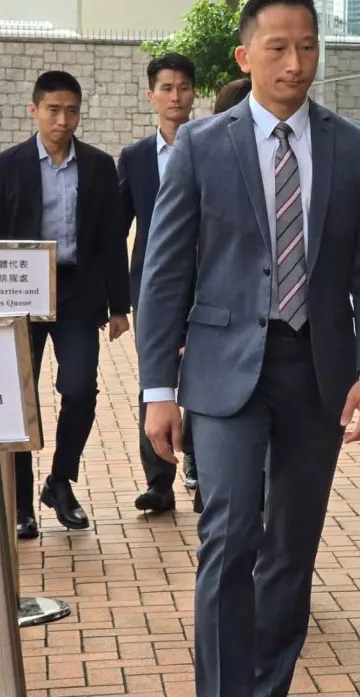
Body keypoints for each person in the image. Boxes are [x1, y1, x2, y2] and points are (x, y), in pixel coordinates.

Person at [136, 0, 360, 697]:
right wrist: (158, 390)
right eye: (278, 47)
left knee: (291, 545)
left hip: (319, 371)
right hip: (223, 371)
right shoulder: (200, 146)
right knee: (229, 536)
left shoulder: (355, 147)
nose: (295, 63)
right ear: (244, 55)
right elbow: (164, 274)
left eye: (308, 46)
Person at [0, 70, 131, 538]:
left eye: (71, 111)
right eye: (53, 110)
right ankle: (21, 504)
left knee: (80, 388)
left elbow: (111, 238)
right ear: (34, 110)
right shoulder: (7, 165)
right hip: (18, 294)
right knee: (17, 396)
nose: (63, 120)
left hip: (78, 292)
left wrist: (119, 305)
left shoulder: (99, 165)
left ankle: (60, 481)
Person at [119, 53, 198, 514]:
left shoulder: (213, 146)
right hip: (152, 289)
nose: (175, 96)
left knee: (206, 377)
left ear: (194, 94)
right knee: (156, 381)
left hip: (208, 286)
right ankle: (159, 482)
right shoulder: (134, 158)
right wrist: (115, 297)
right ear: (151, 96)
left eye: (183, 87)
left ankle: (202, 472)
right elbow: (115, 229)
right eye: (166, 88)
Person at [191, 76, 255, 518]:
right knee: (227, 520)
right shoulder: (201, 152)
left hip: (290, 356)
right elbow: (175, 264)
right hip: (215, 339)